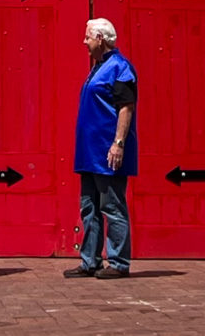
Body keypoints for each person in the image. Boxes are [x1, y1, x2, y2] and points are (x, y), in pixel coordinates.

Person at [66, 17, 136, 279]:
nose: (84, 42)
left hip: (107, 152)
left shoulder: (120, 68)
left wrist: (118, 143)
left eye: (87, 37)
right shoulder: (97, 67)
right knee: (89, 207)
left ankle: (118, 262)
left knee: (112, 206)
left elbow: (126, 107)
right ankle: (90, 261)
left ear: (101, 39)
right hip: (89, 153)